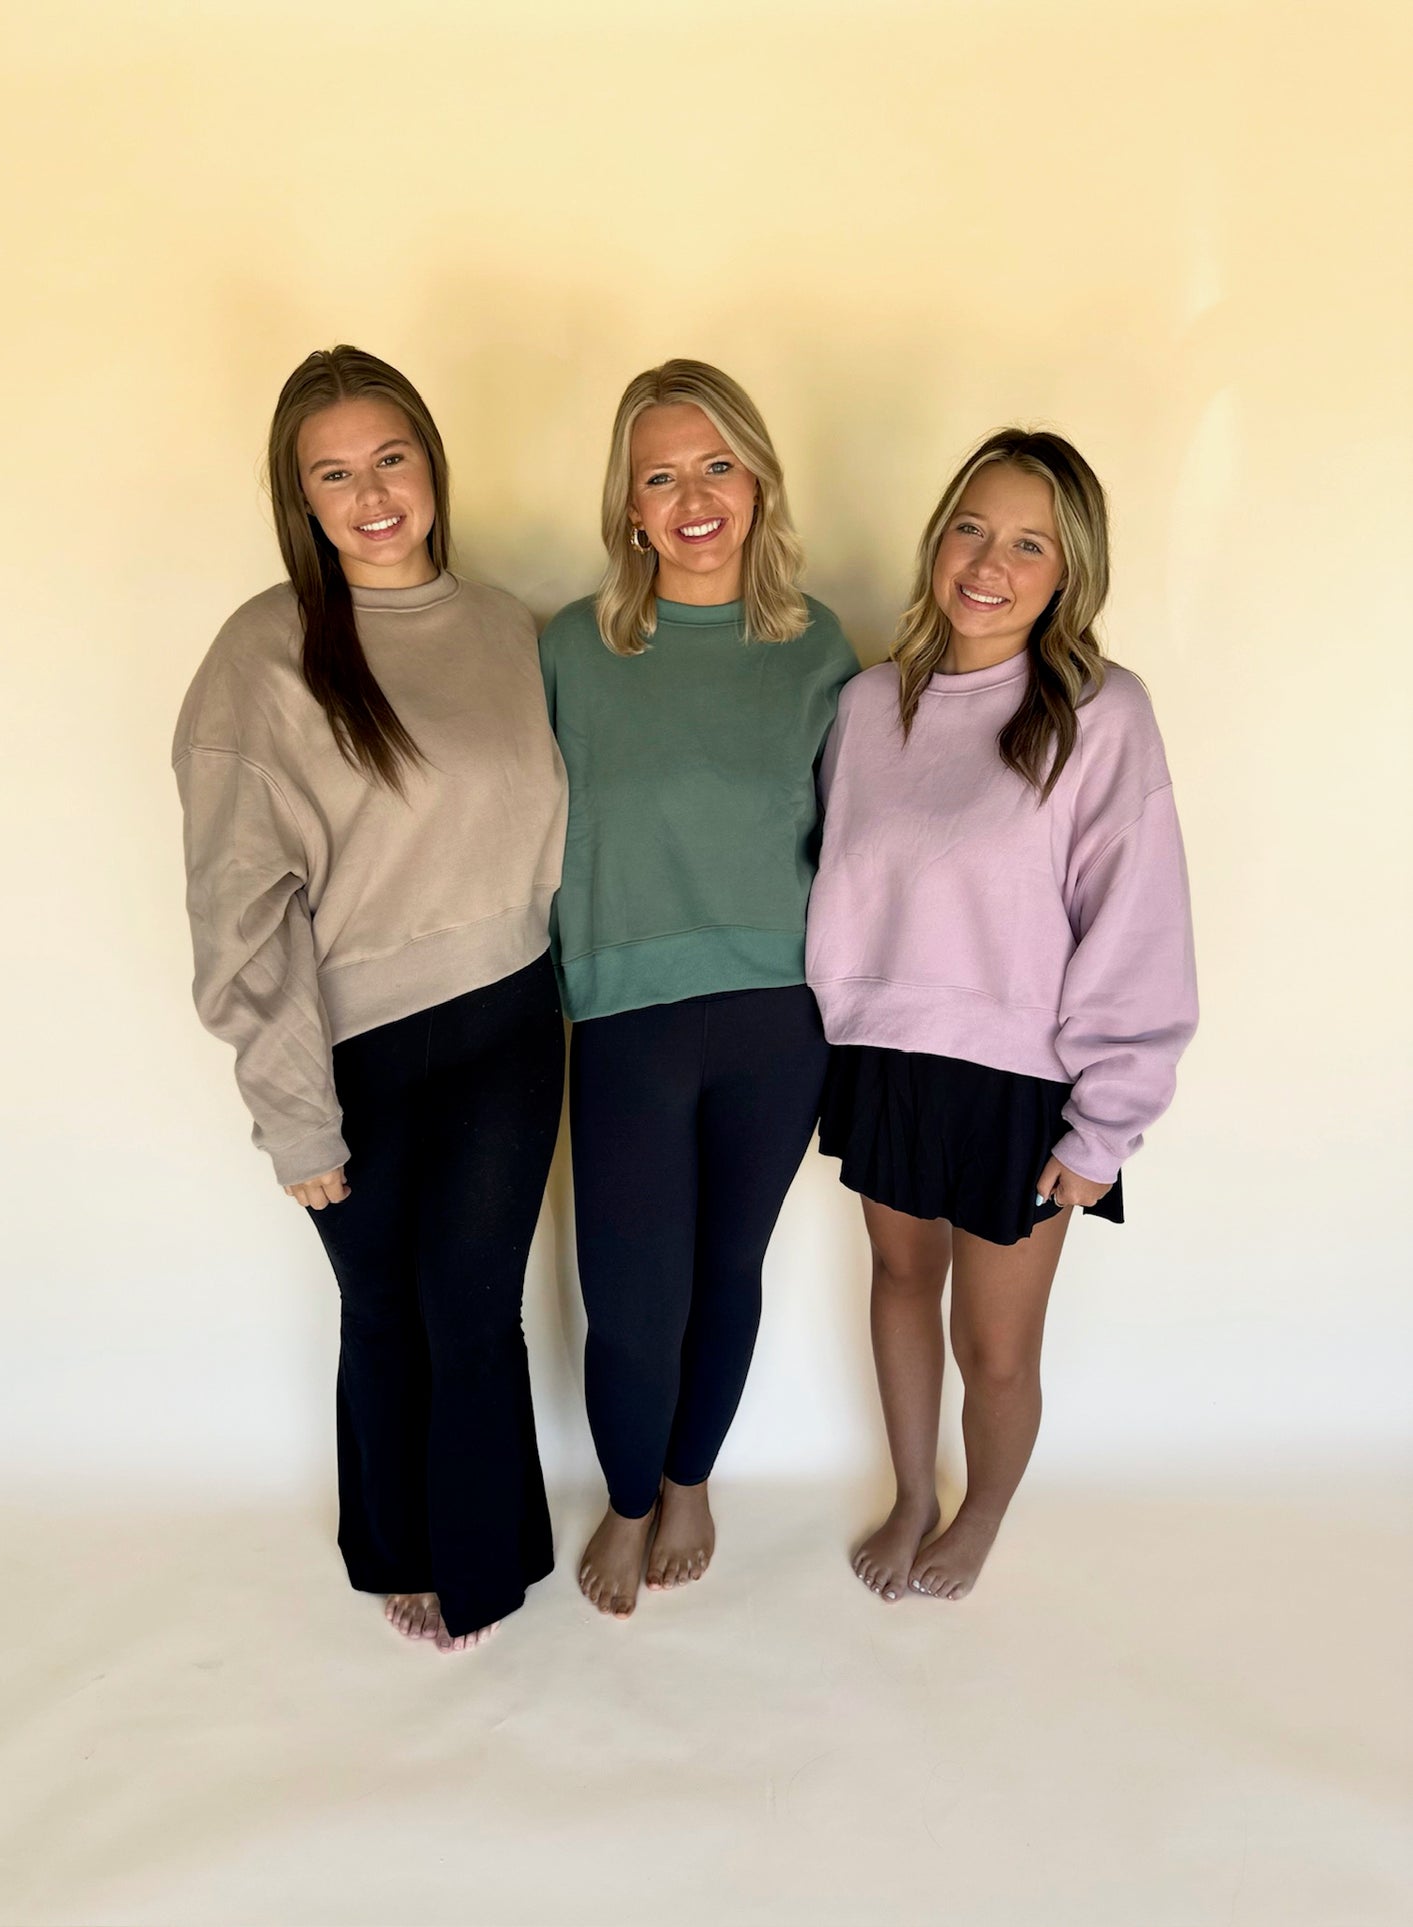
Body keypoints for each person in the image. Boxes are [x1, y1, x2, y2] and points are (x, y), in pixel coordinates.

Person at [173, 346, 568, 1652]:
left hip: (510, 1016)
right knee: (387, 1307)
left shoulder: (513, 628)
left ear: (431, 464)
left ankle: (486, 1558)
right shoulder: (265, 653)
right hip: (357, 1049)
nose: (371, 493)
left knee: (473, 1305)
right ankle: (394, 1545)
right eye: (333, 474)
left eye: (390, 457)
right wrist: (293, 1112)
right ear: (303, 498)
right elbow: (241, 904)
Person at [807, 429, 1197, 1603]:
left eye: (1029, 543)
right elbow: (835, 876)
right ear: (938, 539)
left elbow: (1138, 920)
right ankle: (912, 1492)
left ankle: (977, 1510)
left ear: (1067, 571)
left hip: (1021, 1079)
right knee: (893, 1283)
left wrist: (1104, 1125)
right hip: (881, 1058)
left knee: (996, 1346)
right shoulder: (869, 703)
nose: (989, 561)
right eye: (971, 527)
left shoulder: (1098, 711)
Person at [540, 359, 858, 1618]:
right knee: (629, 1298)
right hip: (622, 1013)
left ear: (759, 479)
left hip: (782, 1016)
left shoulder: (814, 644)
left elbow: (859, 835)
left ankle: (687, 1477)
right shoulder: (574, 645)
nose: (692, 495)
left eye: (717, 464)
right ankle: (626, 1495)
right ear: (626, 504)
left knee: (726, 1269)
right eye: (660, 474)